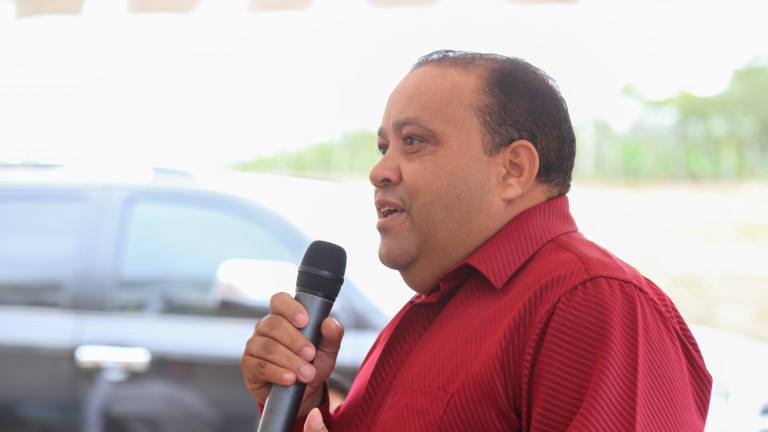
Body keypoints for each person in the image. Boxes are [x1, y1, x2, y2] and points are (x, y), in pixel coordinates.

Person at [241, 50, 712, 431]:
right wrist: (301, 406)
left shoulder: (591, 304)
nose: (379, 170)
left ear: (513, 170)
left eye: (414, 141)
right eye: (384, 147)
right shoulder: (430, 308)